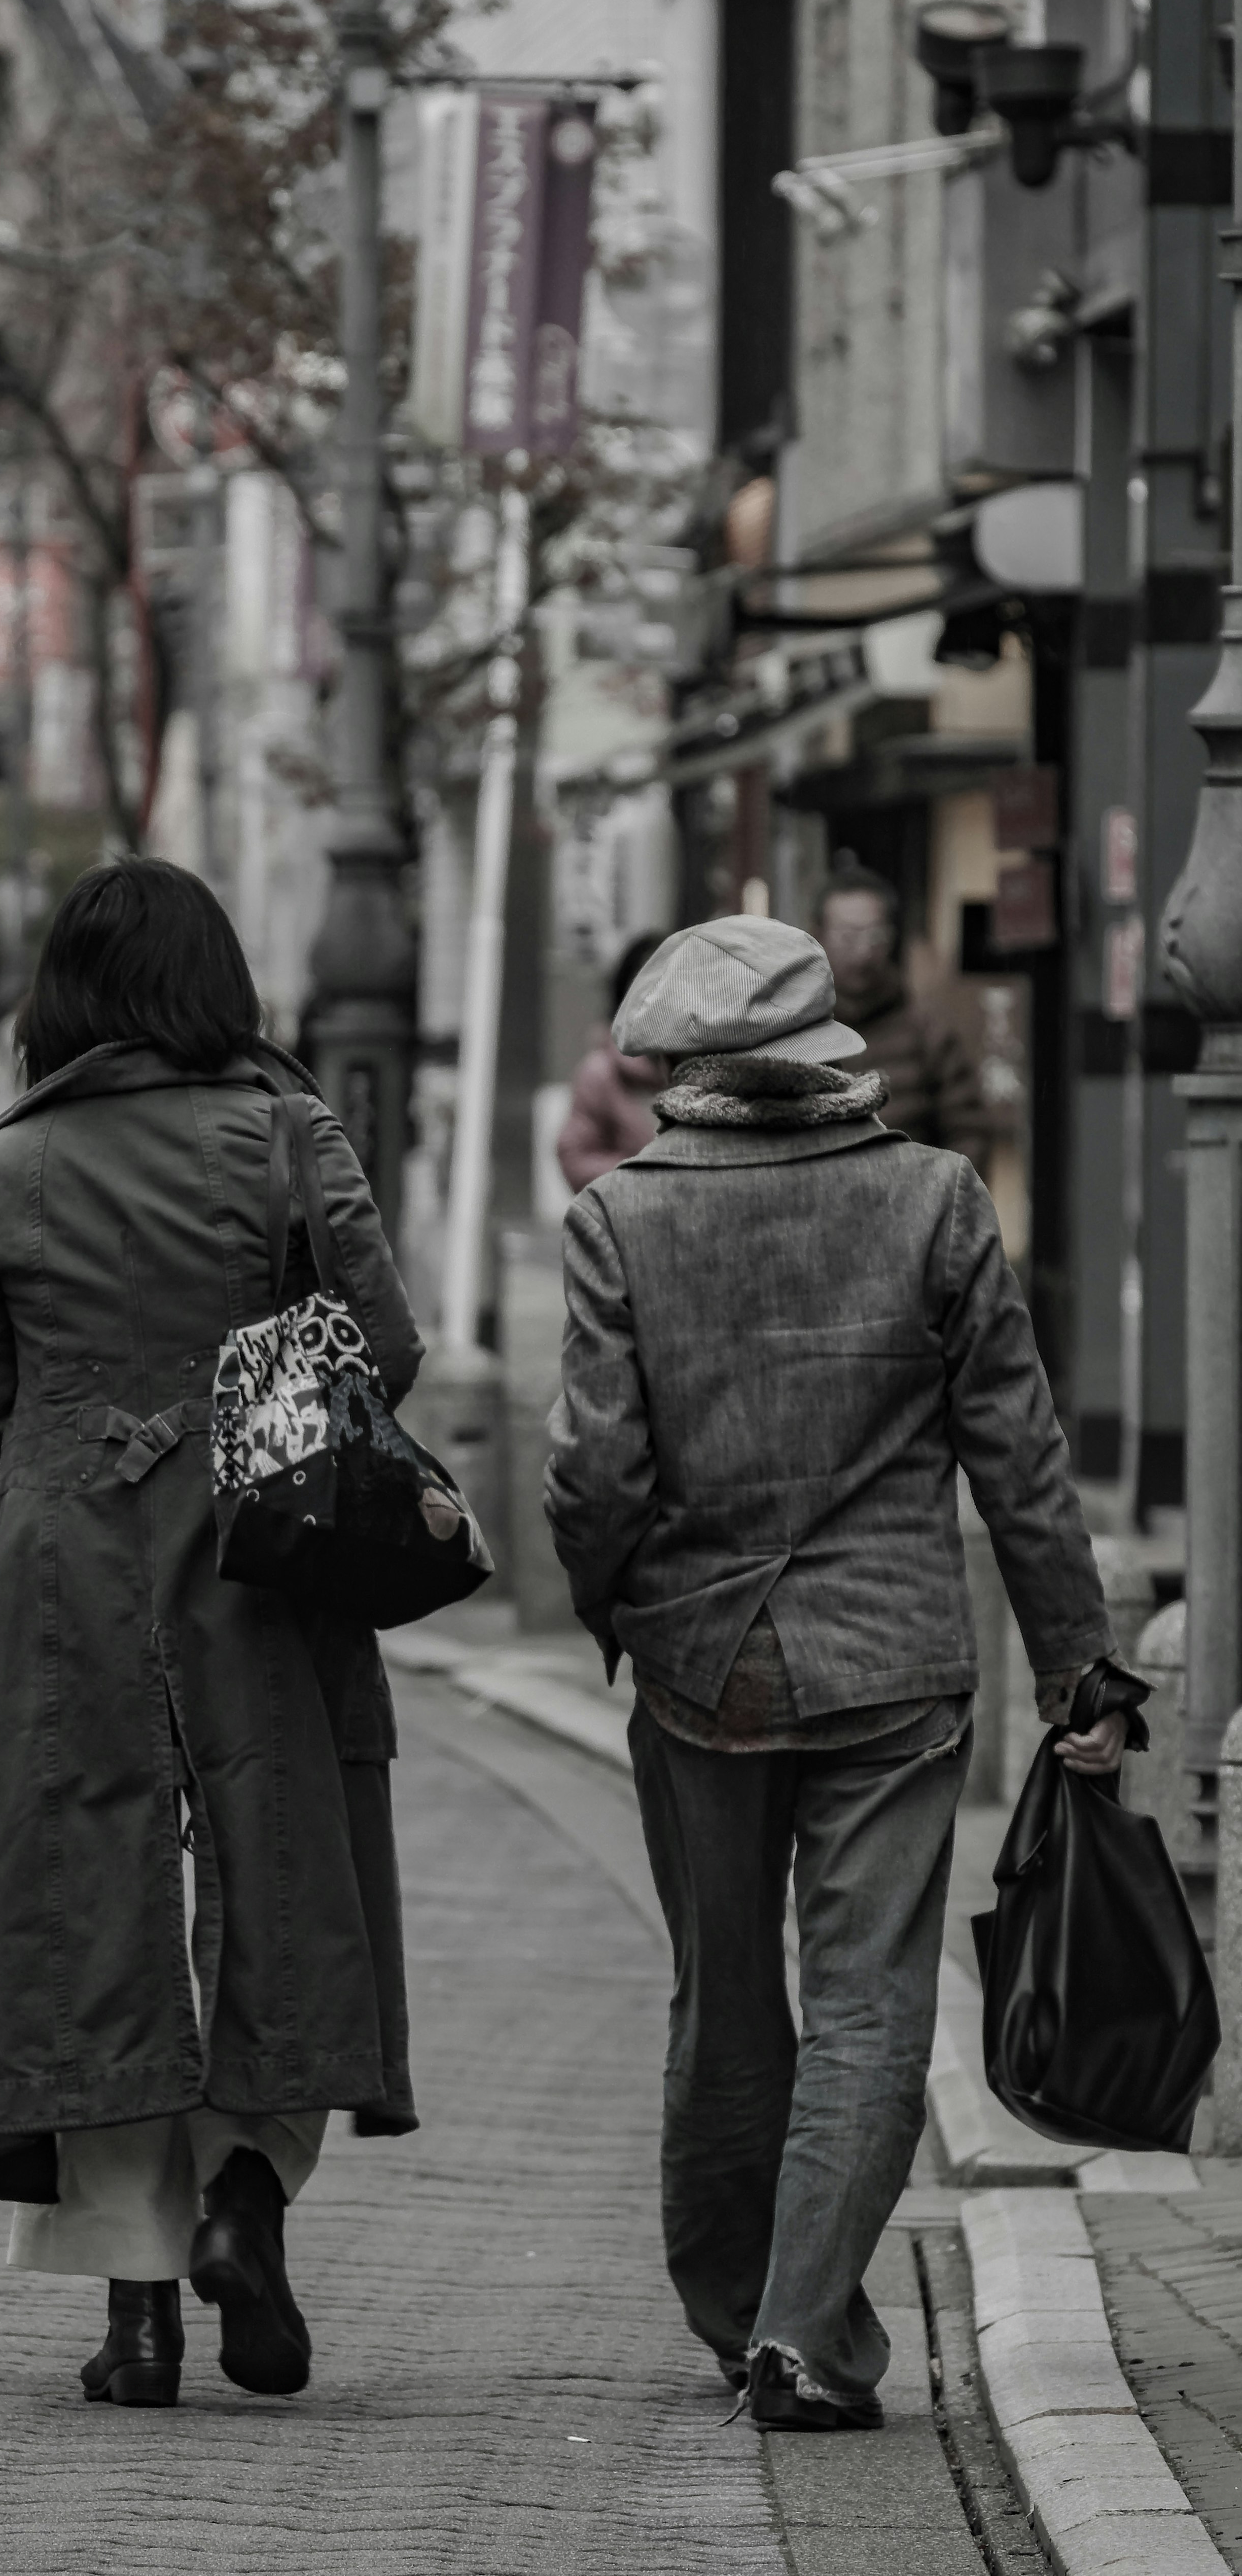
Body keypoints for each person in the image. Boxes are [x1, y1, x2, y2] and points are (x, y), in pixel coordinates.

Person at [544, 914, 1145, 2434]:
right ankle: (801, 2335)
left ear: (681, 1064)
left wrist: (609, 1610)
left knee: (725, 2000)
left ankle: (736, 2303)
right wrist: (1082, 1668)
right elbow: (1018, 1457)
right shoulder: (933, 1199)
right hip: (893, 1664)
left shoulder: (620, 1221)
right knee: (872, 2004)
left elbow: (594, 1475)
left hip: (698, 1667)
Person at [0, 859, 422, 2409]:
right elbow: (383, 1350)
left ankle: (135, 2318)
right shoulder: (288, 1135)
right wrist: (247, 1409)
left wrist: (87, 1435)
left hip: (67, 1565)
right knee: (283, 1877)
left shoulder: (6, 1169)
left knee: (87, 1910)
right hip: (261, 1552)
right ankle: (244, 2206)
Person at [815, 864, 991, 1172]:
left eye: (874, 936)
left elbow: (969, 1132)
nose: (862, 952)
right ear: (817, 936)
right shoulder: (797, 1030)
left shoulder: (928, 1030)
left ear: (892, 937)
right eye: (847, 936)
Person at [556, 931, 668, 1194]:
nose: (655, 1003)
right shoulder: (600, 1074)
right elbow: (576, 1162)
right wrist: (647, 1174)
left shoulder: (701, 1067)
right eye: (643, 990)